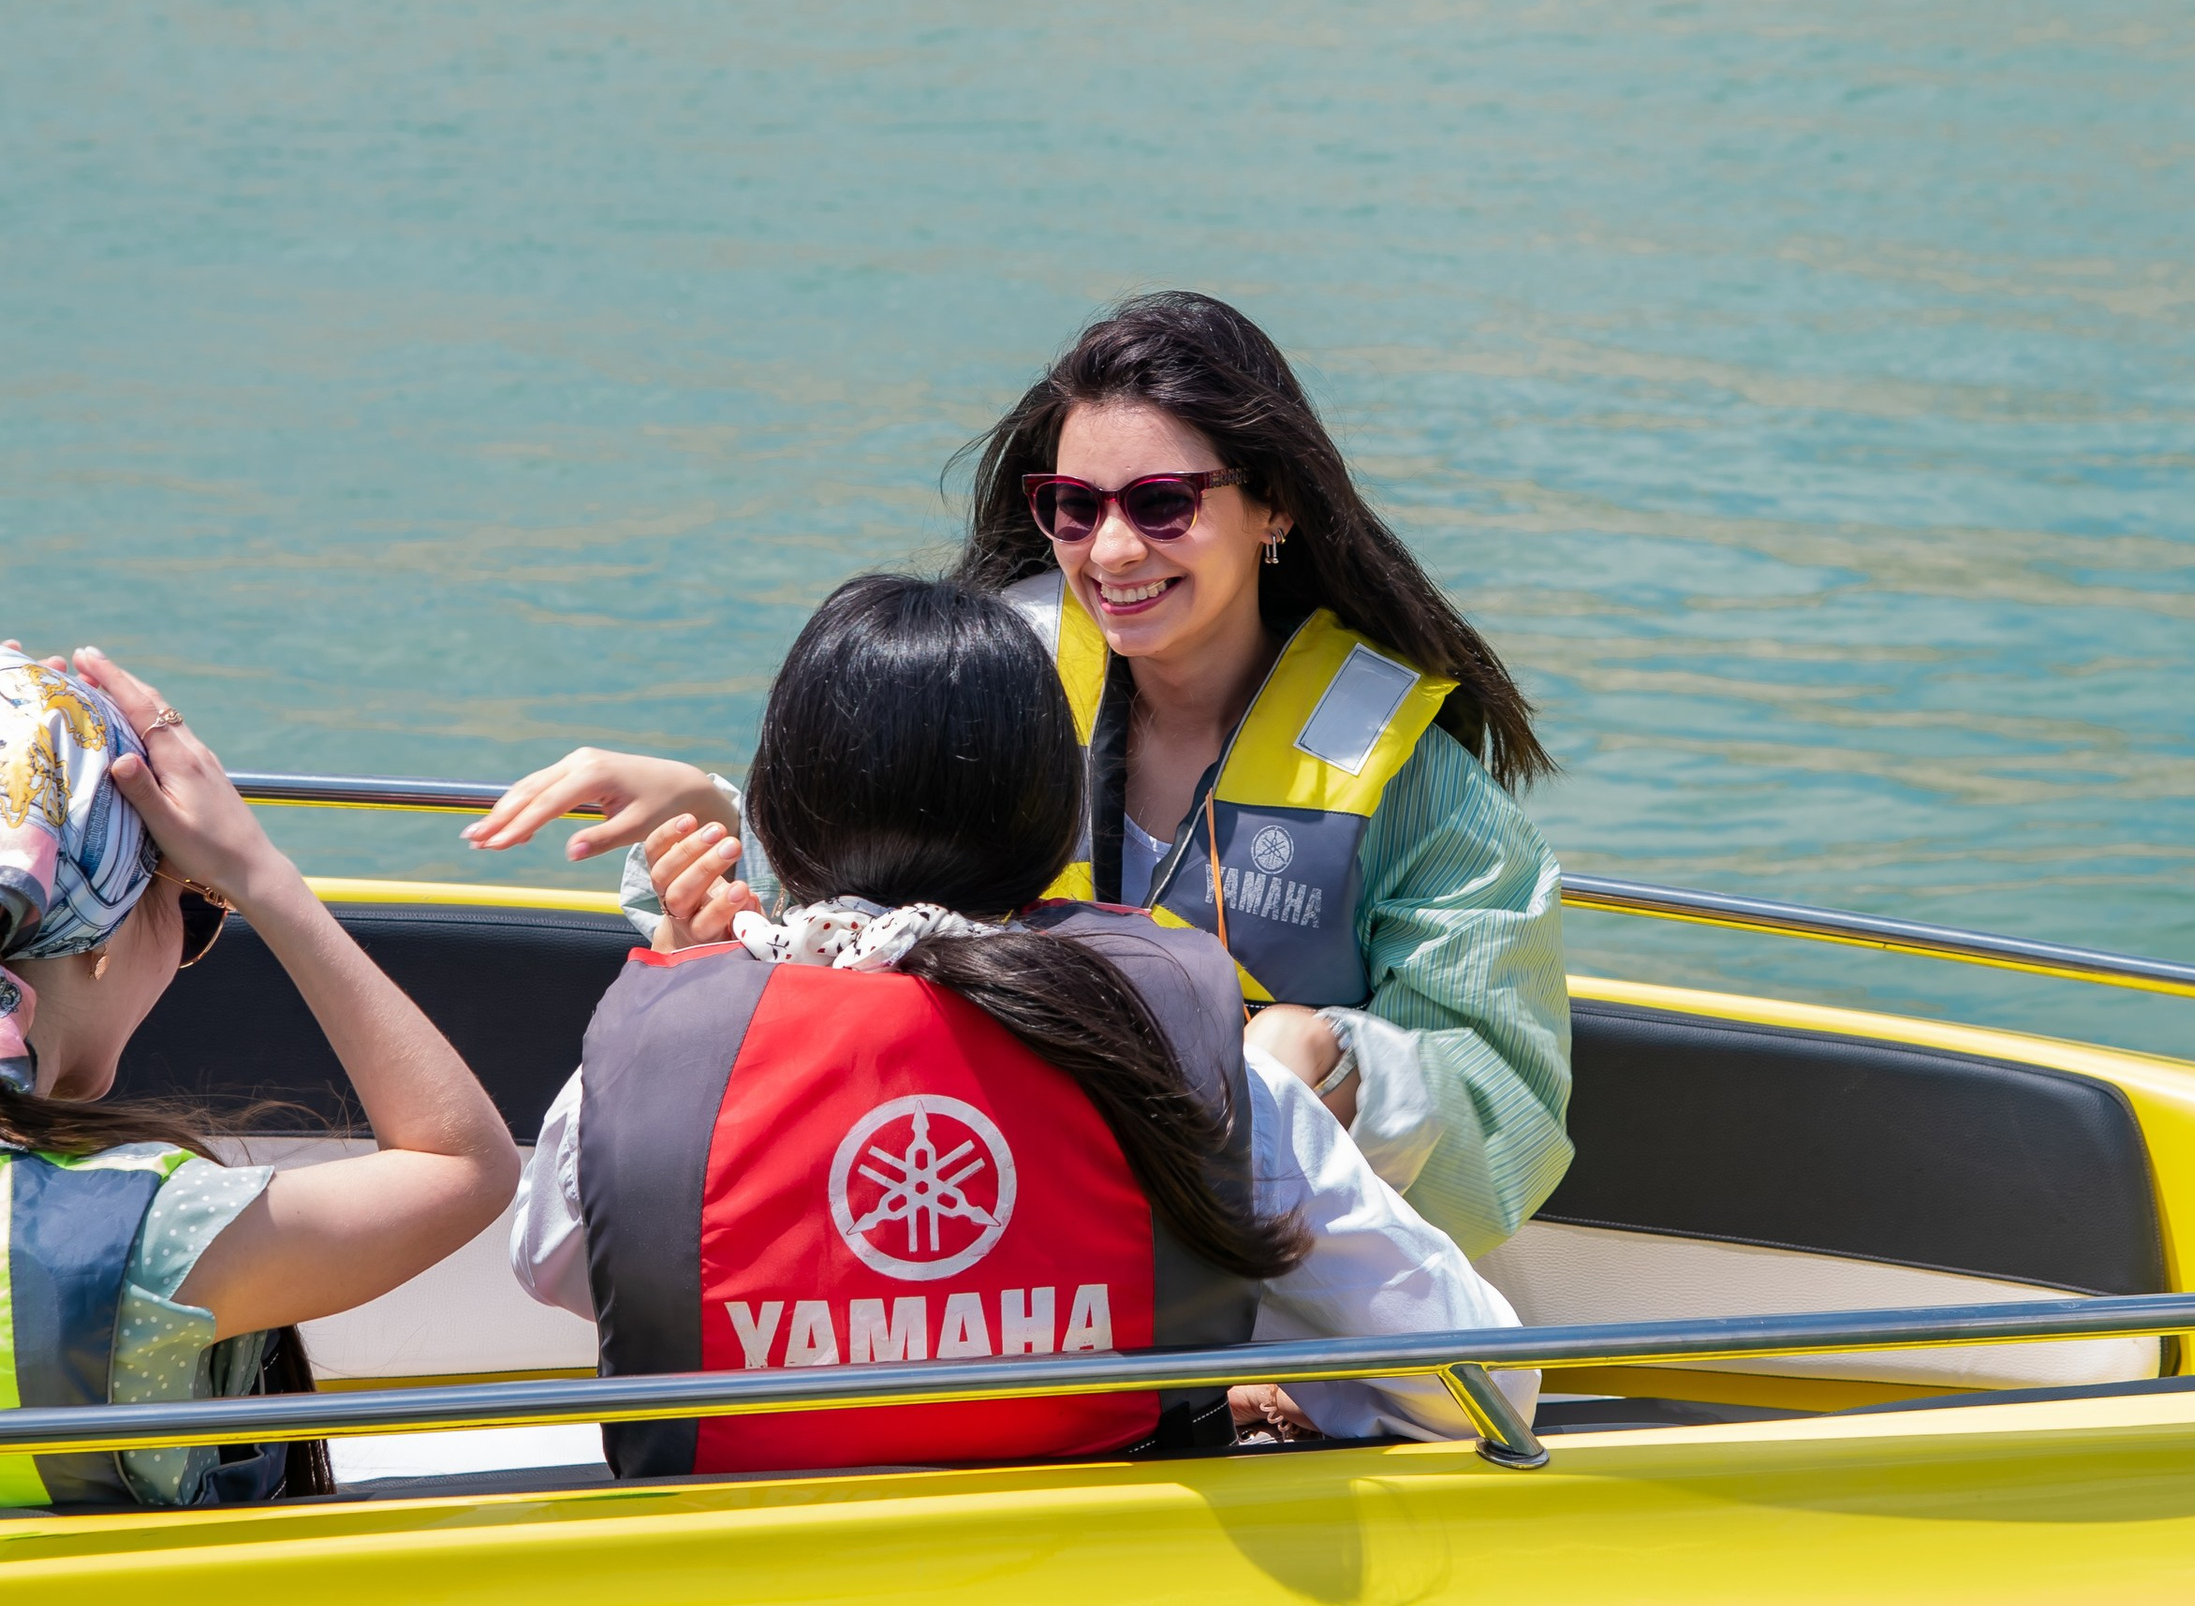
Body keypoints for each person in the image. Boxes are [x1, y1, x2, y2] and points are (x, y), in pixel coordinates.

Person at [471, 294, 1570, 1260]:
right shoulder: (995, 680)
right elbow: (845, 898)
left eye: (1163, 503)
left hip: (1265, 1268)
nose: (1112, 550)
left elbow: (1506, 1108)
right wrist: (710, 810)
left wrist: (1339, 1065)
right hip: (1003, 1234)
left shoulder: (1407, 780)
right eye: (1075, 507)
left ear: (1273, 504)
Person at [509, 574, 1533, 1470]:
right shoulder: (1193, 1066)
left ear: (775, 815)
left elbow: (562, 1265)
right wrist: (1300, 1378)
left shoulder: (651, 1068)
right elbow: (1483, 1377)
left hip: (740, 1596)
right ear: (1053, 827)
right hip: (1108, 1592)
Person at [0, 645, 521, 1510]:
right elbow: (467, 1164)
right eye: (194, 903)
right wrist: (257, 871)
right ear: (94, 939)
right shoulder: (138, 1233)